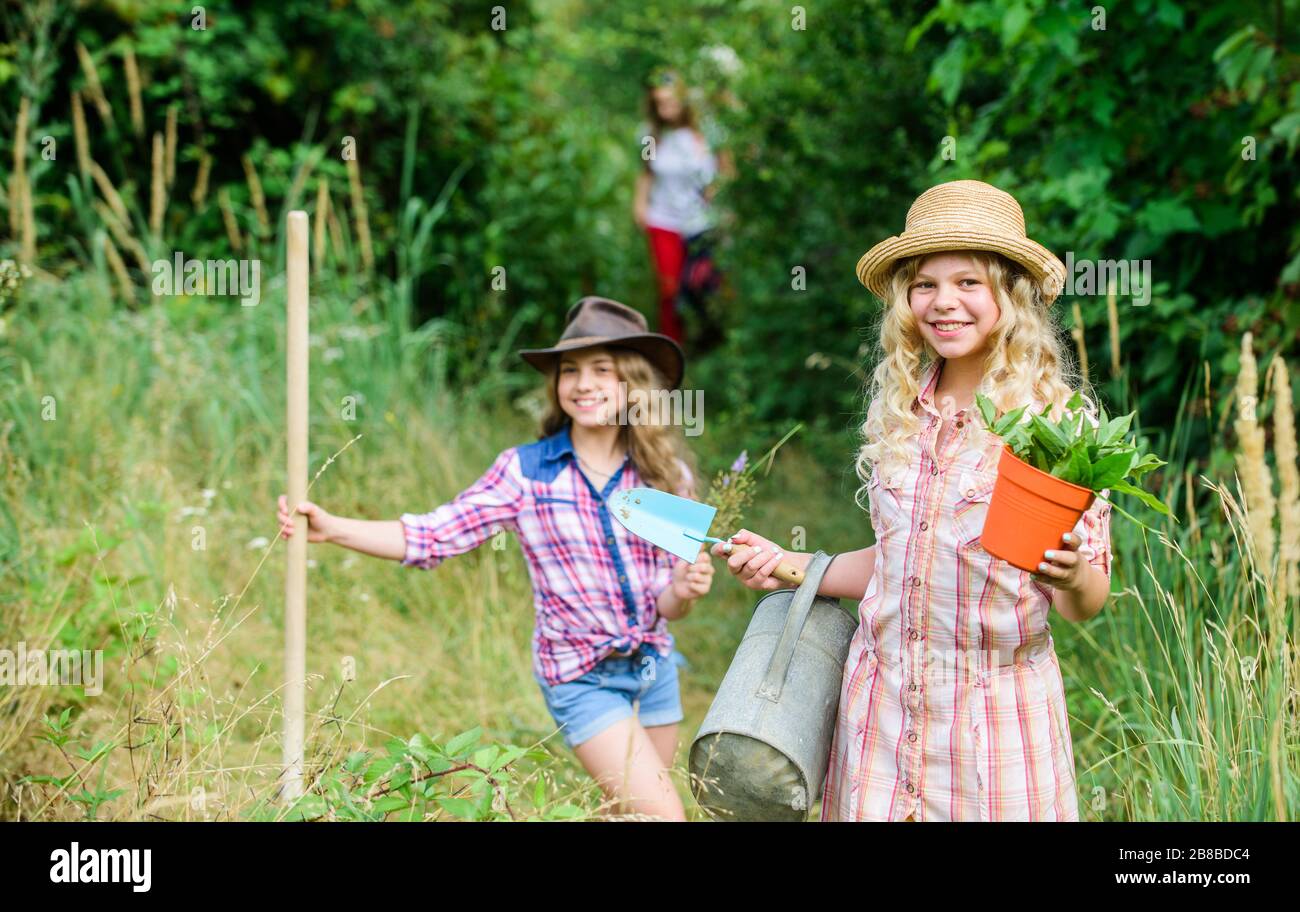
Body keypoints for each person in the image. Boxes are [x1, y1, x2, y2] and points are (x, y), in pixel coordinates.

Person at [710, 180, 1114, 821]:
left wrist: (1071, 573)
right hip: (883, 714)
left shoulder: (1055, 424)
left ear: (1009, 296)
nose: (943, 302)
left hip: (994, 723)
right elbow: (903, 560)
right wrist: (789, 565)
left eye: (968, 284)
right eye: (925, 284)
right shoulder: (903, 411)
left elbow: (1084, 603)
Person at [277, 297, 715, 820]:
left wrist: (684, 590)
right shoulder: (525, 472)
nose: (582, 383)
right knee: (664, 816)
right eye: (569, 370)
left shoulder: (665, 478)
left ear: (635, 386)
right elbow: (434, 535)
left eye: (604, 369)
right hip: (582, 678)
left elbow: (668, 606)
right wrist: (334, 529)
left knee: (627, 814)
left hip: (653, 669)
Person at [633, 69, 730, 346]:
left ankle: (715, 335)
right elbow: (647, 172)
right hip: (663, 218)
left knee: (702, 281)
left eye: (670, 101)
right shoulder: (651, 135)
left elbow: (726, 168)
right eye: (659, 102)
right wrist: (639, 205)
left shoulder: (706, 131)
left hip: (702, 220)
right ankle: (671, 347)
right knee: (668, 288)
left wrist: (718, 193)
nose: (665, 108)